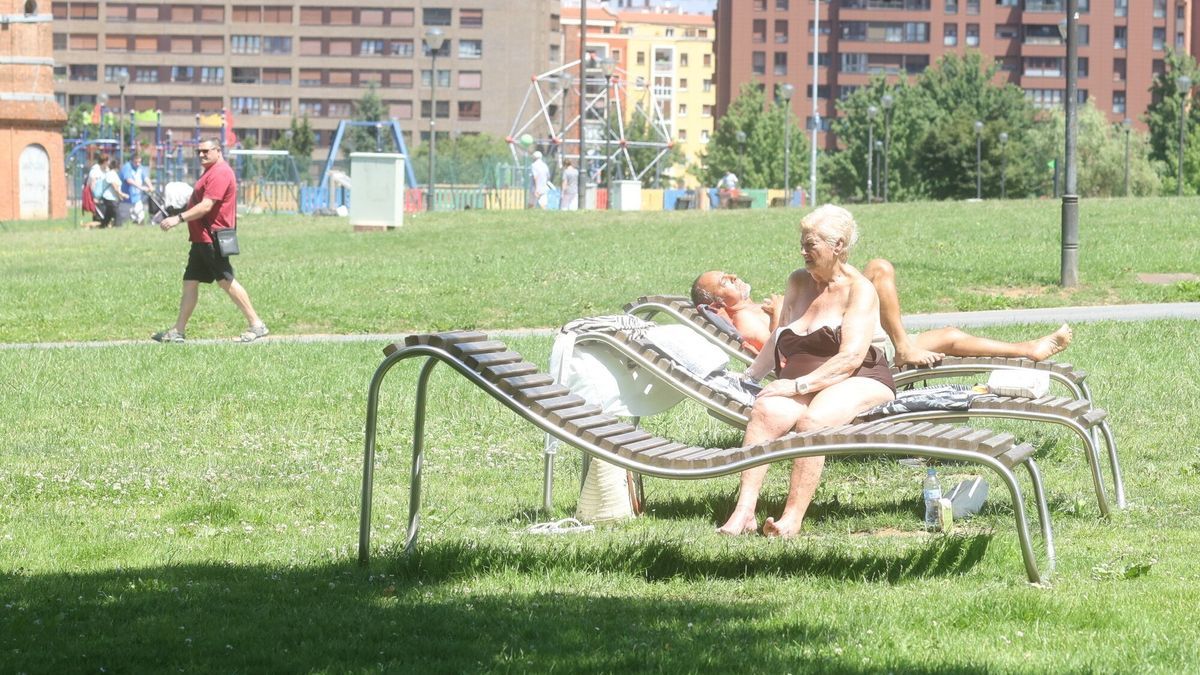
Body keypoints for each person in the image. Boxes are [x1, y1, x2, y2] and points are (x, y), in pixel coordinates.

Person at [717, 205, 896, 537]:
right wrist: (750, 378)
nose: (802, 251)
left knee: (813, 420)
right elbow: (779, 335)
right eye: (802, 243)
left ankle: (791, 519)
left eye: (810, 244)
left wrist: (795, 386)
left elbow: (850, 358)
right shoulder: (798, 281)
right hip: (807, 382)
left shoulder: (859, 290)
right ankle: (744, 512)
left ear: (838, 246)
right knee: (766, 410)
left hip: (859, 377)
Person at [692, 260, 1073, 367]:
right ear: (714, 304)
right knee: (949, 335)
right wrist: (778, 314)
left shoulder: (746, 313)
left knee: (878, 271)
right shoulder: (743, 321)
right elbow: (778, 358)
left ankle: (903, 345)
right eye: (725, 280)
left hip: (833, 334)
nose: (735, 277)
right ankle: (1027, 349)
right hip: (835, 351)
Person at [152, 138, 269, 344]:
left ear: (218, 150)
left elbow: (207, 206)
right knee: (190, 282)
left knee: (226, 280)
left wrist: (178, 218)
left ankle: (257, 324)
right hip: (200, 238)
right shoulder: (210, 172)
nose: (201, 155)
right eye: (199, 151)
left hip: (212, 238)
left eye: (206, 151)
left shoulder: (220, 173)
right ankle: (178, 331)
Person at [91, 155, 127, 229]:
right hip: (110, 198)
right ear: (117, 166)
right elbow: (115, 187)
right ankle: (118, 227)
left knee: (108, 215)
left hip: (112, 198)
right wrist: (122, 194)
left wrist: (119, 196)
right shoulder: (111, 174)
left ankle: (103, 226)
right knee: (117, 215)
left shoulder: (112, 174)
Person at [120, 153, 154, 225]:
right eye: (136, 162)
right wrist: (141, 187)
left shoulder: (140, 168)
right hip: (126, 200)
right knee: (124, 221)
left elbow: (145, 178)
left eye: (139, 162)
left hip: (137, 199)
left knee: (141, 217)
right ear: (131, 161)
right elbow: (129, 180)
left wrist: (150, 186)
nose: (138, 164)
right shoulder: (127, 167)